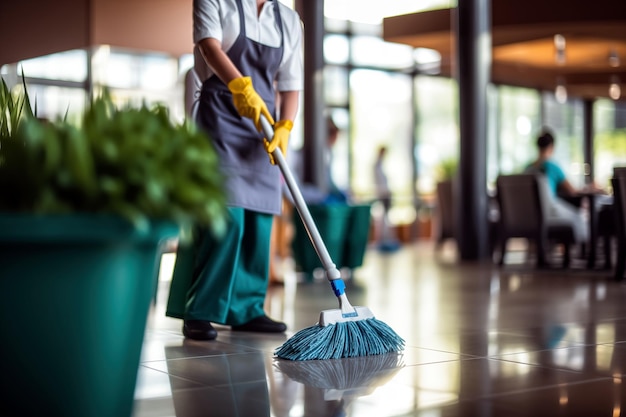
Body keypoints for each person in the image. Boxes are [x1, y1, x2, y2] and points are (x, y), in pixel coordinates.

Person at [166, 0, 303, 340]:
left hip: (263, 126)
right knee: (225, 217)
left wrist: (285, 125)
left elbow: (290, 84)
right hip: (220, 117)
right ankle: (200, 309)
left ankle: (247, 309)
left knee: (259, 218)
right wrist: (241, 86)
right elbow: (209, 47)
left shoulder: (288, 19)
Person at [523, 129, 588, 242]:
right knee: (578, 217)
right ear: (552, 147)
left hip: (529, 215)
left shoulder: (527, 168)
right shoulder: (552, 167)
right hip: (549, 212)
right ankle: (583, 252)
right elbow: (572, 191)